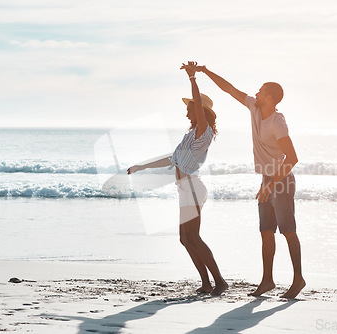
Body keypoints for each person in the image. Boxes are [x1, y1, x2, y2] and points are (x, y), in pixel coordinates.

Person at [190, 63, 305, 299]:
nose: (257, 93)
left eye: (261, 91)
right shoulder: (254, 107)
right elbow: (229, 89)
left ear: (270, 97)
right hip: (267, 179)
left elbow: (292, 158)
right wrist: (205, 71)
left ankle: (298, 279)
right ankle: (268, 280)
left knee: (288, 231)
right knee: (266, 231)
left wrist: (272, 184)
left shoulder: (278, 123)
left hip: (281, 181)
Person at [127, 62, 228, 296]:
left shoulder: (204, 131)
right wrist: (141, 166)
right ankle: (206, 282)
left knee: (192, 236)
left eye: (190, 108)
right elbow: (171, 159)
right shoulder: (190, 135)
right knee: (185, 239)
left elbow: (200, 112)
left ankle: (219, 281)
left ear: (200, 110)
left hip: (193, 187)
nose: (186, 112)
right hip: (185, 189)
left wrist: (193, 79)